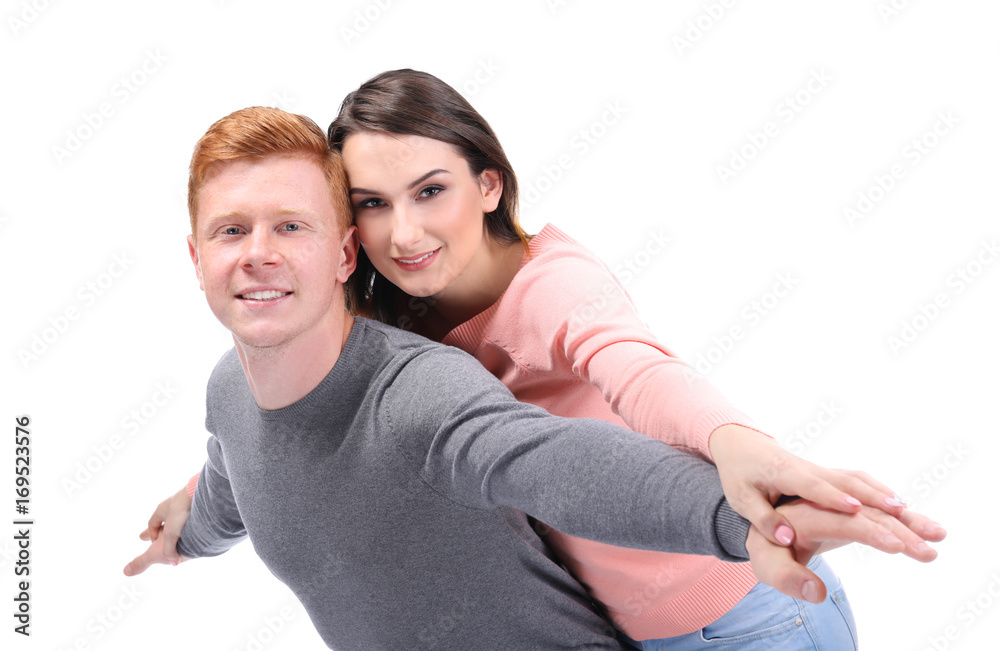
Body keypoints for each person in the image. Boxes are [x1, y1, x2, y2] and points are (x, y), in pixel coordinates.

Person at [124, 105, 942, 650]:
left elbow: (564, 449)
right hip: (642, 617)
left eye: (290, 226)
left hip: (746, 606)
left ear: (340, 255)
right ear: (196, 257)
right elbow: (247, 464)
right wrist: (187, 525)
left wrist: (742, 498)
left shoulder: (450, 367)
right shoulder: (245, 381)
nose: (259, 253)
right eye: (231, 230)